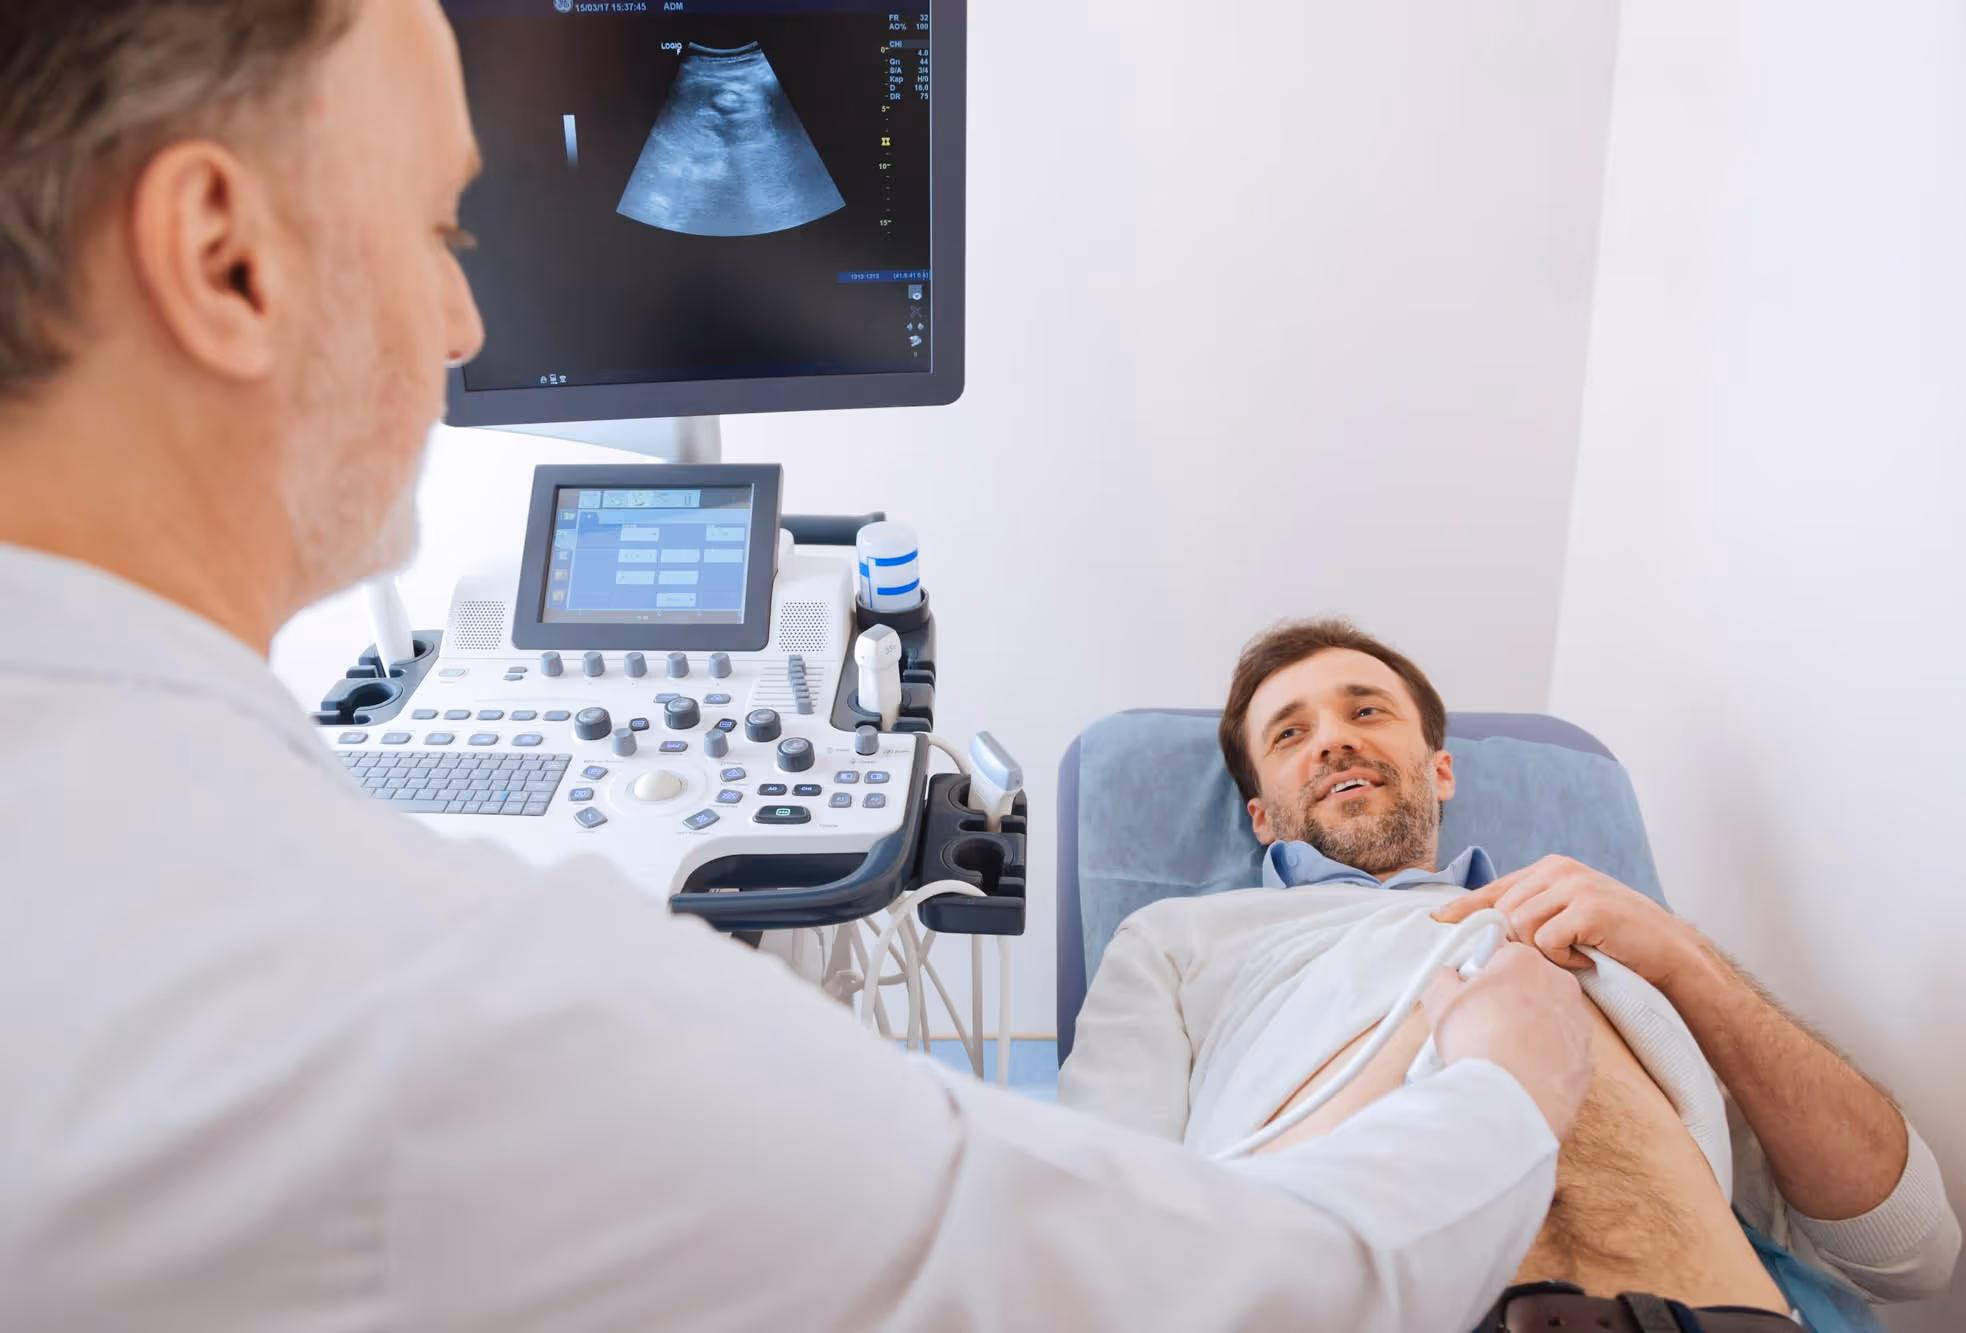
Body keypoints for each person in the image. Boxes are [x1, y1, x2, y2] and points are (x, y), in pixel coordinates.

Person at [0, 3, 1600, 1330]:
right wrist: (1502, 1083)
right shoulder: (449, 1004)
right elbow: (1206, 1284)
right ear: (222, 255)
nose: (469, 322)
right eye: (438, 225)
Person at [1060, 619, 1963, 1332]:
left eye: (1367, 710)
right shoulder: (1181, 937)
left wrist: (1686, 958)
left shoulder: (1617, 940)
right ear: (1261, 815)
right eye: (1291, 732)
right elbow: (1100, 1226)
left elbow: (1911, 1251)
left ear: (1441, 770)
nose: (1333, 740)